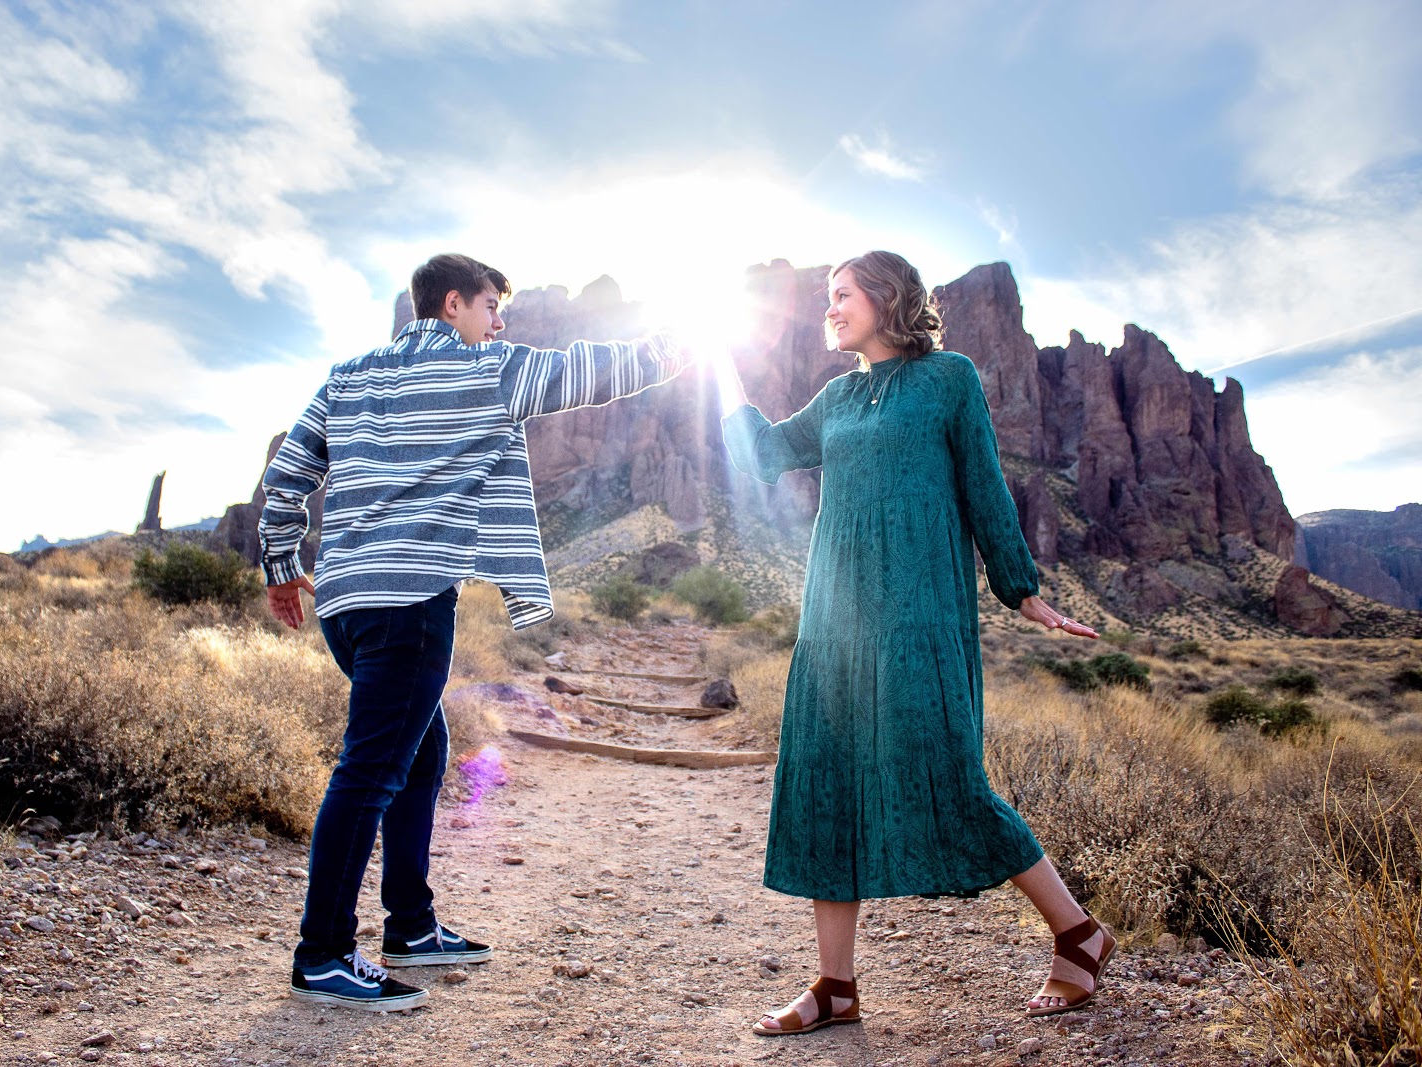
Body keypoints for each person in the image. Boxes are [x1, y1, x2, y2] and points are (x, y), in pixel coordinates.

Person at [259, 253, 690, 1011]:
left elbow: (289, 473)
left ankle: (410, 926)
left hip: (345, 605)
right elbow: (589, 371)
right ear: (453, 303)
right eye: (492, 307)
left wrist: (280, 562)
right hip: (410, 604)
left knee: (423, 751)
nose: (499, 323)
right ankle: (322, 954)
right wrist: (680, 344)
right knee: (370, 771)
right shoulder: (486, 369)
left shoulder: (348, 375)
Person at [720, 250, 1111, 1035]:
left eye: (843, 294)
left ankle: (1078, 933)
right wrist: (717, 370)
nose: (830, 308)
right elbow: (764, 453)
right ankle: (836, 985)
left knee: (950, 779)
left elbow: (985, 485)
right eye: (827, 296)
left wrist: (1022, 588)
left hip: (920, 618)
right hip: (835, 621)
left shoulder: (948, 379)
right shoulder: (837, 397)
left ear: (886, 296)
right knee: (826, 779)